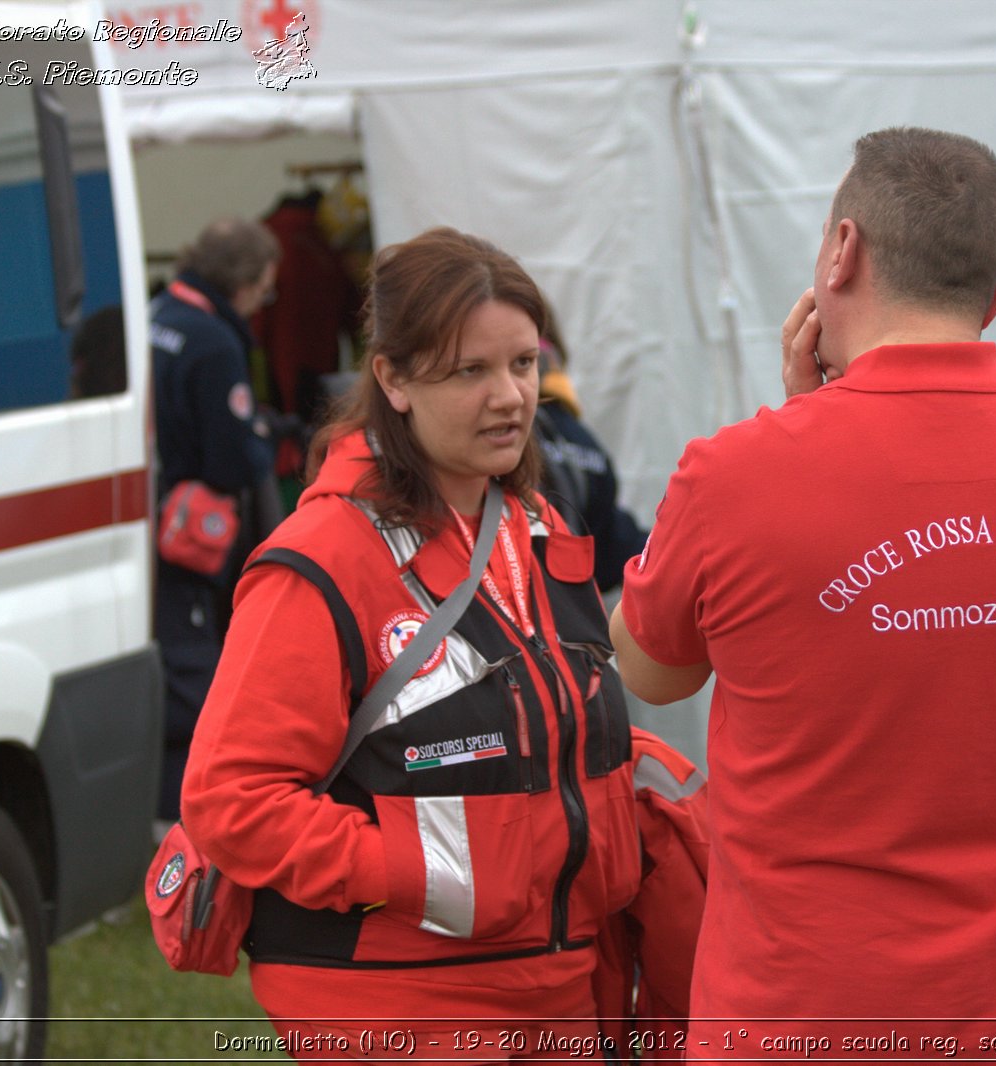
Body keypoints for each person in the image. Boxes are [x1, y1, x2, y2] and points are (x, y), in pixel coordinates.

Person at [609, 127, 996, 1055]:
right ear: (994, 295)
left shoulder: (737, 475)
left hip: (806, 1013)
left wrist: (798, 431)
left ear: (843, 252)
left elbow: (650, 671)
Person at [181, 227, 642, 1058]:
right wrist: (415, 866)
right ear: (391, 377)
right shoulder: (320, 559)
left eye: (523, 364)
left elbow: (540, 733)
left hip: (561, 988)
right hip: (397, 1005)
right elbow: (230, 802)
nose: (509, 396)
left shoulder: (536, 523)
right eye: (471, 371)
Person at [151, 217, 279, 821]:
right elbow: (231, 460)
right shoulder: (213, 342)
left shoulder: (158, 316)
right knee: (195, 664)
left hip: (148, 515)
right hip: (189, 536)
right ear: (245, 283)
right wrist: (263, 441)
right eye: (265, 291)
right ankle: (186, 811)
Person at [533, 312, 649, 593]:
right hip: (572, 611)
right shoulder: (580, 436)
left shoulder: (510, 436)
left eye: (522, 363)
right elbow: (611, 540)